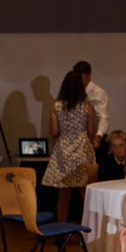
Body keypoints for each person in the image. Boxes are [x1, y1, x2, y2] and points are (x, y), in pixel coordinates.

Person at [41, 71, 96, 222]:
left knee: (63, 197)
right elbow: (91, 132)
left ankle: (61, 232)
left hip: (63, 152)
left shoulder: (56, 106)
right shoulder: (88, 108)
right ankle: (87, 232)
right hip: (83, 151)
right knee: (86, 195)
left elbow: (54, 132)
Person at [73, 61, 110, 155]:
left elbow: (103, 117)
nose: (79, 81)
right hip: (78, 140)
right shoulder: (74, 92)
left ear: (89, 75)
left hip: (94, 139)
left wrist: (98, 137)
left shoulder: (98, 93)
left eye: (81, 77)